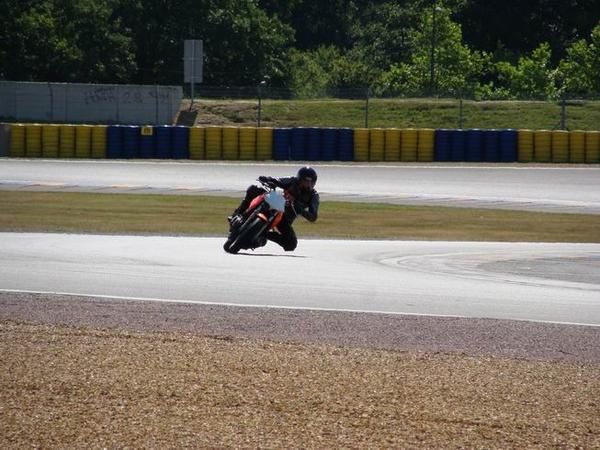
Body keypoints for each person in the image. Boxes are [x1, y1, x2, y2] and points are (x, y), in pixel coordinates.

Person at [228, 166, 319, 251]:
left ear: (314, 183)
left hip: (285, 219)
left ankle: (262, 234)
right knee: (253, 189)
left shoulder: (314, 196)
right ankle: (238, 215)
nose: (307, 185)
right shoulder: (292, 181)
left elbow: (313, 216)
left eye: (310, 182)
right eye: (304, 182)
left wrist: (300, 209)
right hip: (276, 202)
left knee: (291, 244)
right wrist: (268, 179)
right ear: (299, 179)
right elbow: (278, 180)